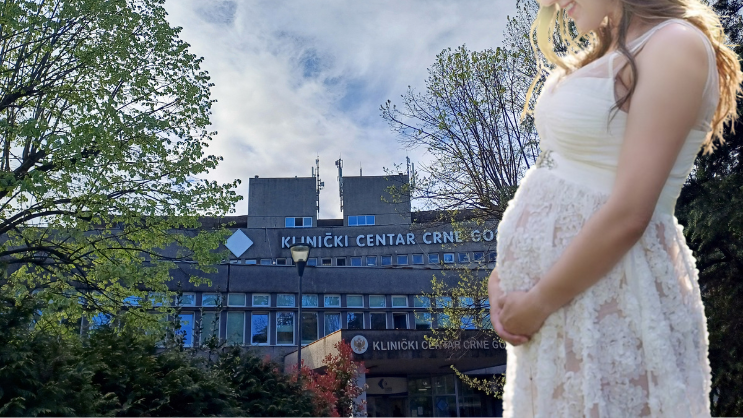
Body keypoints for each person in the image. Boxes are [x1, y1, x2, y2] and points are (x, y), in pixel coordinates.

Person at [487, 0, 742, 416]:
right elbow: (553, 172)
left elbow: (630, 212)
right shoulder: (602, 54)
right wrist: (503, 280)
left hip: (610, 297)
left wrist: (537, 303)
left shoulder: (674, 43)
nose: (549, 4)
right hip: (554, 311)